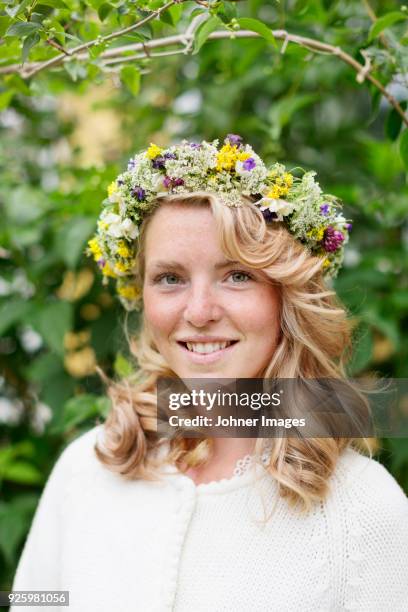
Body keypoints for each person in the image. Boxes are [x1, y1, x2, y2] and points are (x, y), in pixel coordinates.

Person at [11, 136, 408, 611]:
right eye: (170, 278)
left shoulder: (364, 511)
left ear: (287, 296)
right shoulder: (86, 469)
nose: (199, 312)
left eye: (237, 275)